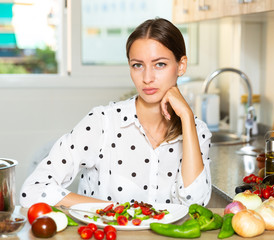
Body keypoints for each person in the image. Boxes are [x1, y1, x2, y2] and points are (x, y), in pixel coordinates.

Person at [20, 18, 212, 209]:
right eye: (138, 65)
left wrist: (186, 116)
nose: (147, 78)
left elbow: (196, 205)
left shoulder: (198, 132)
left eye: (159, 64)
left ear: (181, 66)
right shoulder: (102, 122)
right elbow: (33, 191)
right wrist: (115, 212)